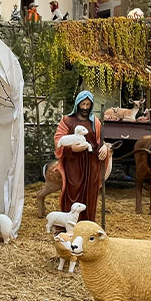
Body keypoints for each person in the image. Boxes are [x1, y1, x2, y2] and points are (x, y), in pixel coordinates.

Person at [53, 91, 113, 223]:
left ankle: (87, 224)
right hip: (73, 164)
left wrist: (104, 147)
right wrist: (71, 148)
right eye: (83, 104)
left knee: (90, 195)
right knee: (72, 193)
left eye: (88, 104)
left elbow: (99, 141)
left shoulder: (95, 122)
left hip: (91, 165)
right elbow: (58, 141)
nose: (85, 107)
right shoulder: (66, 121)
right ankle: (68, 225)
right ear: (77, 104)